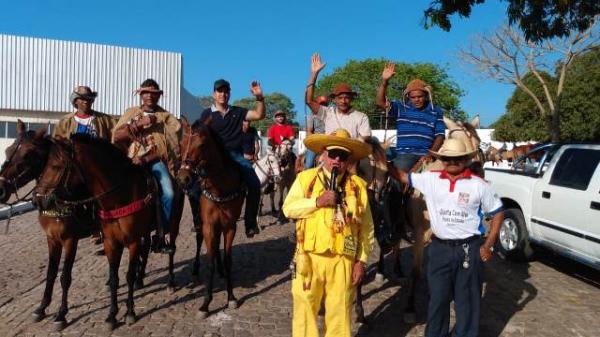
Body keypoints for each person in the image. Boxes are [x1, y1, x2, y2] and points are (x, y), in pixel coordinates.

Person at [388, 138, 504, 337]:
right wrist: (382, 159)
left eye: (458, 158)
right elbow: (403, 177)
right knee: (438, 300)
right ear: (441, 159)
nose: (452, 162)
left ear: (466, 158)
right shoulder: (430, 179)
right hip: (440, 249)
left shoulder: (479, 185)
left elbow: (498, 212)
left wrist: (489, 244)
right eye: (448, 158)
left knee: (467, 302)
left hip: (469, 249)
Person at [283, 128, 374, 337]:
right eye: (333, 154)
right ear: (323, 154)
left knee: (340, 313)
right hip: (308, 259)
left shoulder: (358, 186)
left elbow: (367, 227)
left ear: (348, 160)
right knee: (305, 310)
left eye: (342, 156)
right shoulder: (306, 179)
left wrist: (361, 261)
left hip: (343, 261)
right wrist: (317, 202)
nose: (336, 160)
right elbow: (288, 208)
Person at [112, 79, 181, 253]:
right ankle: (107, 230)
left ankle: (162, 234)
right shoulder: (131, 112)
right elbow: (116, 136)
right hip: (130, 161)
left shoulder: (167, 118)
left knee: (170, 193)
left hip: (155, 161)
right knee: (108, 188)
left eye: (153, 93)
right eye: (146, 92)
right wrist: (137, 124)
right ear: (141, 95)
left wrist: (147, 158)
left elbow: (171, 147)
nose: (149, 96)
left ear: (158, 96)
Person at [197, 79, 265, 238]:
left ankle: (250, 223)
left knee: (254, 183)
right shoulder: (206, 114)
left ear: (229, 94)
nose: (223, 94)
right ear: (214, 94)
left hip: (235, 156)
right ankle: (197, 221)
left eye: (226, 91)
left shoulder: (238, 112)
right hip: (212, 158)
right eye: (220, 91)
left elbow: (259, 115)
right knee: (192, 186)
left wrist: (260, 98)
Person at [53, 86, 116, 252]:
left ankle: (104, 229)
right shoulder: (65, 122)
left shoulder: (105, 120)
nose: (86, 101)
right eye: (82, 98)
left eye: (89, 98)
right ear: (76, 101)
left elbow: (115, 139)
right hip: (73, 169)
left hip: (97, 168)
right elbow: (57, 145)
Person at [376, 62, 444, 171]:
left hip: (427, 155)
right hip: (405, 155)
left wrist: (430, 154)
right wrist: (385, 81)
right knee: (397, 179)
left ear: (426, 96)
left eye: (420, 96)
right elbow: (380, 102)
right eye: (413, 97)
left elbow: (440, 136)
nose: (416, 99)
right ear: (409, 97)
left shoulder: (436, 111)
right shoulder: (401, 108)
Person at [305, 53, 371, 139]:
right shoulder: (327, 113)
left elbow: (366, 137)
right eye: (340, 98)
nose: (343, 101)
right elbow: (309, 101)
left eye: (346, 98)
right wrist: (314, 74)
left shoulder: (361, 117)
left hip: (351, 151)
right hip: (329, 149)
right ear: (334, 100)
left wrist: (349, 141)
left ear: (351, 99)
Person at [304, 96, 328, 169]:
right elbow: (309, 131)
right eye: (321, 104)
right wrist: (315, 141)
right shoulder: (312, 114)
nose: (323, 106)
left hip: (329, 142)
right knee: (309, 165)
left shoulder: (332, 114)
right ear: (317, 104)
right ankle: (306, 177)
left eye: (325, 104)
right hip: (316, 142)